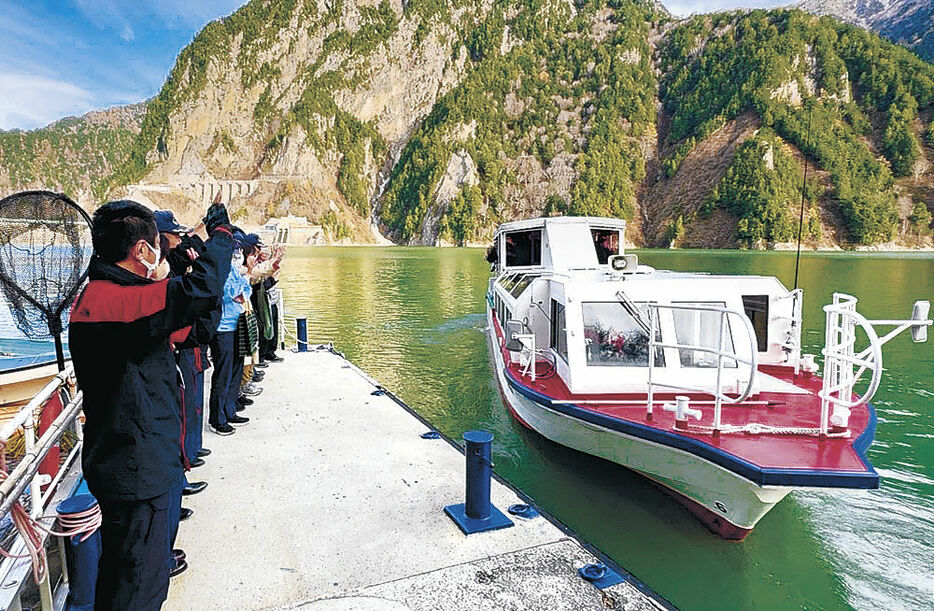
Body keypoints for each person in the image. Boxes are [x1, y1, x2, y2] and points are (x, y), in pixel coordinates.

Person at [69, 200, 233, 610]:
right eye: (158, 246)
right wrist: (221, 238)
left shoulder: (119, 300)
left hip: (143, 467)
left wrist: (186, 254)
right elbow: (199, 288)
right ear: (142, 251)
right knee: (136, 590)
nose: (164, 254)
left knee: (132, 575)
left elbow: (191, 328)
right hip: (136, 473)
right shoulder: (111, 303)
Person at [208, 234, 251, 434]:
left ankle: (230, 409)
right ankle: (217, 418)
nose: (238, 256)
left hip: (237, 324)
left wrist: (243, 292)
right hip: (222, 328)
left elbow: (246, 288)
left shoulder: (234, 269)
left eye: (239, 252)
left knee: (236, 369)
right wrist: (238, 290)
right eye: (235, 252)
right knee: (223, 374)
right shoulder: (220, 270)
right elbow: (225, 293)